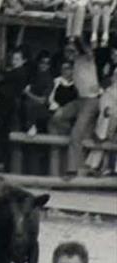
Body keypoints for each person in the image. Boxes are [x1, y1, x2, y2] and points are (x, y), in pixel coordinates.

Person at [51, 39, 101, 178]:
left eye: (72, 51)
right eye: (68, 51)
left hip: (91, 100)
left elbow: (85, 48)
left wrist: (76, 36)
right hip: (80, 100)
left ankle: (72, 170)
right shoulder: (76, 64)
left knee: (75, 135)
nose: (69, 54)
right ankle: (74, 137)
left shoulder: (87, 59)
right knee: (58, 116)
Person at [24, 52, 55, 136]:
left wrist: (28, 93)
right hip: (27, 108)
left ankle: (32, 127)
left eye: (47, 63)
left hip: (42, 110)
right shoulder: (33, 75)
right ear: (38, 63)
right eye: (42, 62)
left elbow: (42, 101)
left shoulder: (49, 80)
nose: (44, 65)